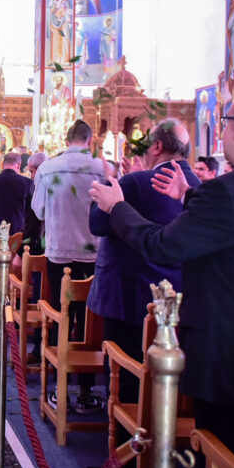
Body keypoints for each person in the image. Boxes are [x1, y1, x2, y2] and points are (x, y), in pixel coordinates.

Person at [90, 92, 234, 468]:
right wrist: (190, 194)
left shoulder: (228, 189)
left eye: (226, 123)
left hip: (227, 357)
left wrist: (116, 207)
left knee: (227, 464)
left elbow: (162, 244)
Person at [88, 119, 199, 403]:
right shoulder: (200, 187)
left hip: (131, 295)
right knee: (166, 380)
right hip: (179, 298)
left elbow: (98, 223)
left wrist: (113, 185)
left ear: (158, 146)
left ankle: (126, 439)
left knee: (126, 379)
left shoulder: (136, 182)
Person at [32, 120, 108, 414]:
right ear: (89, 141)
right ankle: (87, 392)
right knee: (87, 325)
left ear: (66, 139)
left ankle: (55, 390)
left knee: (58, 318)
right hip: (92, 255)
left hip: (58, 254)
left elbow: (38, 210)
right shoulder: (102, 169)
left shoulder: (47, 168)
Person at [0, 152, 34, 237]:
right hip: (18, 234)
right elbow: (31, 212)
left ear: (2, 164)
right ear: (19, 165)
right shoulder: (28, 183)